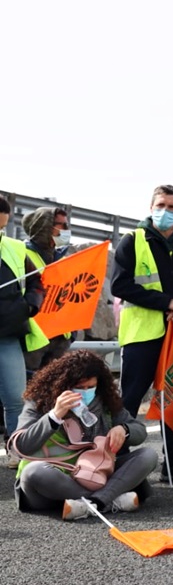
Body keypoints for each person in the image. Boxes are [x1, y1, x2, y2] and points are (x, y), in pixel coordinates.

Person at [111, 185, 173, 484]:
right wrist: (167, 303)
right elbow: (120, 285)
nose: (165, 211)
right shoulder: (132, 241)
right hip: (143, 335)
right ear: (151, 206)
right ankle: (118, 458)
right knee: (129, 399)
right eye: (160, 204)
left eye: (171, 207)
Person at [8, 350, 158, 520]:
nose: (85, 392)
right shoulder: (39, 401)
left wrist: (124, 429)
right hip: (55, 482)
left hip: (97, 473)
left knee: (148, 455)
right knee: (33, 472)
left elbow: (139, 430)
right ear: (62, 384)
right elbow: (20, 446)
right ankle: (109, 500)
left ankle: (92, 503)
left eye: (90, 387)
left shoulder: (106, 401)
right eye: (79, 388)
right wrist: (54, 416)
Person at [1, 196, 45, 466]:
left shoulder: (16, 248)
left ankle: (16, 451)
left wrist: (30, 306)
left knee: (16, 399)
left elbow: (37, 281)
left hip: (7, 336)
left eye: (2, 227)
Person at [20, 207, 72, 377]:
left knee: (51, 393)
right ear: (45, 227)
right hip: (32, 338)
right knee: (26, 393)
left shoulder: (63, 259)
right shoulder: (22, 254)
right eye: (61, 226)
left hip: (59, 338)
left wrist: (71, 334)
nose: (66, 230)